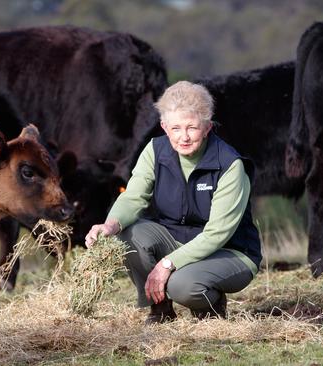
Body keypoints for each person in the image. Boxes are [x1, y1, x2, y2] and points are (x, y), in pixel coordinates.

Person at [85, 81, 261, 324]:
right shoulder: (155, 151)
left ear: (207, 127)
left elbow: (217, 234)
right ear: (164, 127)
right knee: (126, 235)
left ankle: (211, 305)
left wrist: (167, 264)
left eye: (192, 127)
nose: (184, 137)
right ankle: (160, 310)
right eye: (176, 128)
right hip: (177, 239)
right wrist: (109, 226)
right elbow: (133, 197)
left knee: (181, 285)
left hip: (229, 251)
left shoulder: (230, 165)